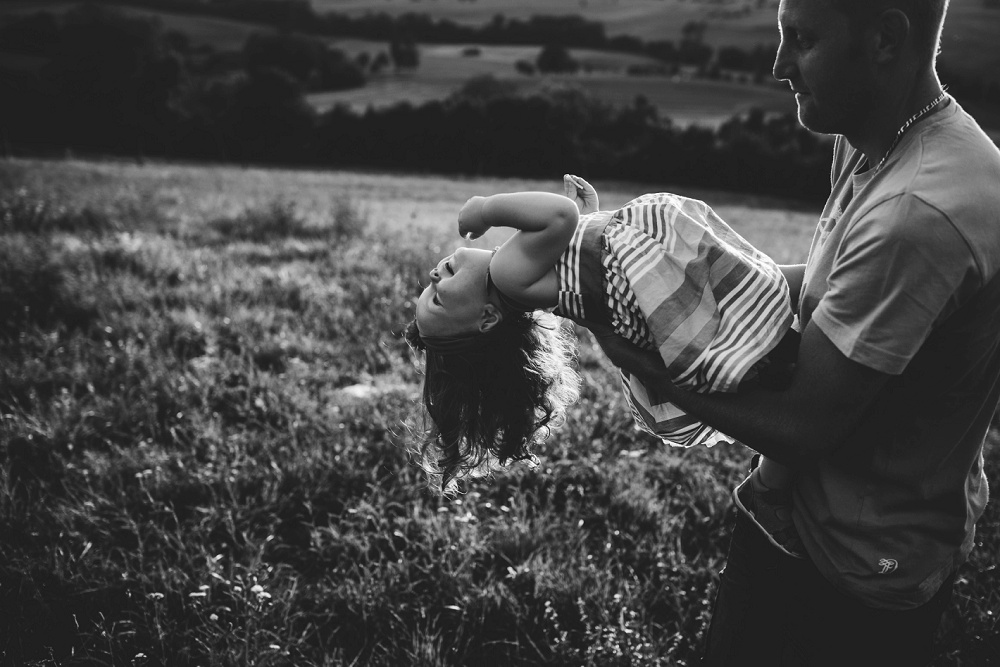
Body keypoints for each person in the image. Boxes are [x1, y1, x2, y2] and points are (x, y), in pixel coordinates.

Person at [591, 0, 1000, 664]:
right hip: (809, 515)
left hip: (851, 570)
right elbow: (835, 287)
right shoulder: (880, 136)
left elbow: (802, 423)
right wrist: (657, 271)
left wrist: (641, 358)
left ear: (886, 40)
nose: (779, 65)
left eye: (803, 41)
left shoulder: (918, 212)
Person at [404, 174, 802, 542]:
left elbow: (574, 253)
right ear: (487, 318)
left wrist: (588, 221)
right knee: (752, 299)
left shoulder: (514, 274)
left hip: (649, 272)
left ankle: (774, 472)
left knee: (750, 303)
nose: (435, 279)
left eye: (427, 289)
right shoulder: (507, 275)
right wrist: (486, 208)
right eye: (437, 300)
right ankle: (775, 467)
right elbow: (560, 217)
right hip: (655, 271)